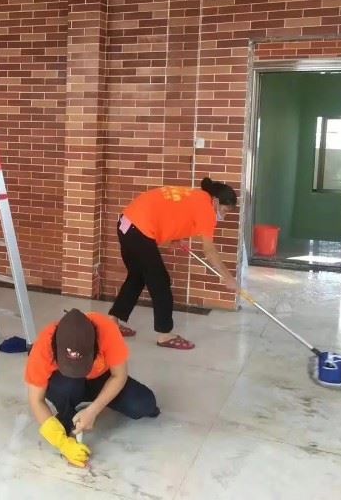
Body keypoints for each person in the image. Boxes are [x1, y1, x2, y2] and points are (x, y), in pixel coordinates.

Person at [108, 177, 238, 350]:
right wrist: (227, 277)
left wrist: (176, 238)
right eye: (224, 210)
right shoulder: (207, 209)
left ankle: (112, 322)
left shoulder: (197, 196)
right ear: (215, 201)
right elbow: (209, 250)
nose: (224, 215)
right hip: (139, 229)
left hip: (126, 223)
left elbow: (173, 212)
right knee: (161, 281)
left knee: (137, 277)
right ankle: (165, 334)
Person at [25, 309, 159, 468]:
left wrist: (93, 410)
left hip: (102, 378)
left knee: (143, 404)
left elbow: (119, 376)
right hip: (67, 383)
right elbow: (36, 400)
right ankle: (68, 416)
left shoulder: (107, 330)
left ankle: (85, 409)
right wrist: (62, 443)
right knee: (65, 386)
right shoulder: (44, 344)